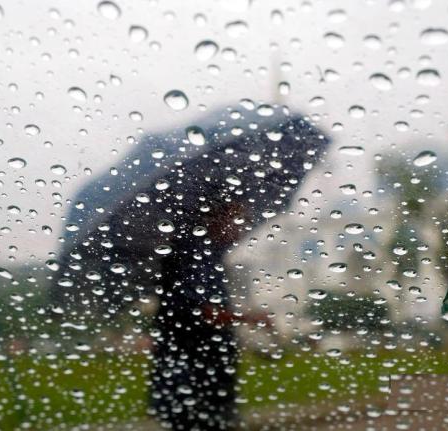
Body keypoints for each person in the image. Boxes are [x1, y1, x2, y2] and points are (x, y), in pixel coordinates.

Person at [53, 104, 330, 430]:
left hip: (193, 372)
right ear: (217, 214)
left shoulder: (195, 251)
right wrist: (251, 318)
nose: (242, 225)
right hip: (193, 376)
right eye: (236, 216)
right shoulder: (195, 253)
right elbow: (202, 311)